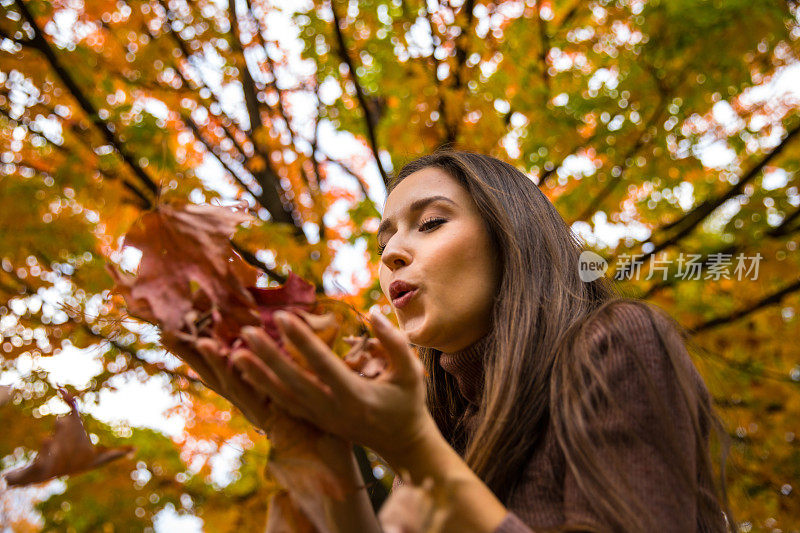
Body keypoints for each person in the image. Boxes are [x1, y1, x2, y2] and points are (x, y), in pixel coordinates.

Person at [192, 151, 731, 532]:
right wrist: (314, 446)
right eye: (385, 240)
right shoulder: (447, 430)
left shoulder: (615, 343)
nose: (391, 254)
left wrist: (417, 453)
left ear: (509, 236)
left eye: (428, 223)